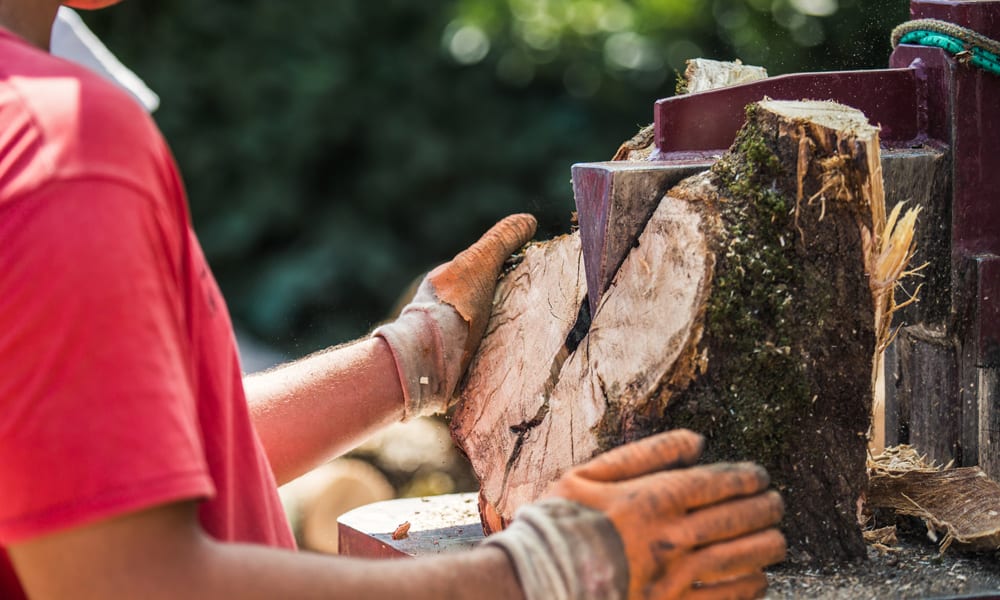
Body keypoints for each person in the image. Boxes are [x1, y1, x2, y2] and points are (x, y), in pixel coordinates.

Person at [0, 1, 787, 598]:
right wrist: (533, 574)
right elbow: (131, 580)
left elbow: (95, 471)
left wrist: (412, 361)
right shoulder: (60, 144)